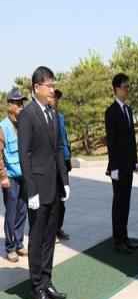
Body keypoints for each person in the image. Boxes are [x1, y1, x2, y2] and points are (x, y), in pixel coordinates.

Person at [18, 66, 70, 299]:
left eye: (53, 85)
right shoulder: (27, 116)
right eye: (48, 86)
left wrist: (65, 182)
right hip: (37, 189)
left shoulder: (53, 113)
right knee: (37, 239)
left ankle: (47, 280)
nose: (52, 90)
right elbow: (24, 155)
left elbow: (59, 149)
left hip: (54, 187)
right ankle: (36, 286)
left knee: (50, 237)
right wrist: (31, 191)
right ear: (36, 88)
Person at [105, 73, 138, 255]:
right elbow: (112, 142)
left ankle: (124, 237)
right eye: (125, 86)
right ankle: (117, 240)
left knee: (126, 202)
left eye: (128, 86)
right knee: (118, 203)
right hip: (118, 167)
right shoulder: (111, 112)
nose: (128, 90)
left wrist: (135, 161)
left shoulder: (129, 110)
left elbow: (131, 139)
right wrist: (114, 167)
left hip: (128, 165)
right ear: (117, 88)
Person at [0, 88, 28, 263]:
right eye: (18, 103)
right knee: (10, 213)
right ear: (10, 105)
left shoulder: (23, 124)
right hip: (9, 176)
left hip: (23, 175)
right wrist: (2, 176)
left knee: (22, 210)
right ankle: (10, 247)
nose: (21, 106)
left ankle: (19, 243)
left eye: (22, 103)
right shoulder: (2, 127)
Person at [51, 89, 71, 241]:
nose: (56, 101)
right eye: (54, 98)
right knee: (53, 198)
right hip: (52, 164)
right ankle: (51, 230)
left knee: (63, 196)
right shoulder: (46, 117)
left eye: (58, 98)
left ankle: (58, 227)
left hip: (63, 161)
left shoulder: (61, 117)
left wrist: (68, 156)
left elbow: (64, 138)